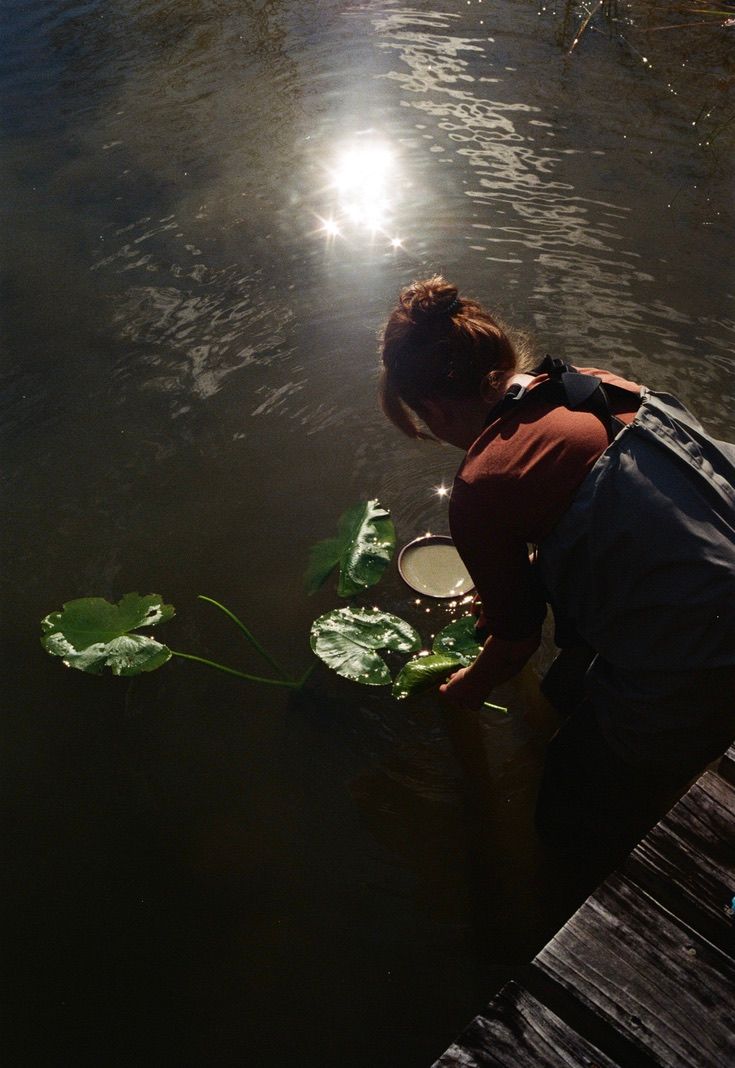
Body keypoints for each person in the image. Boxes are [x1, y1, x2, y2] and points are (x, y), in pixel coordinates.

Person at [380, 275, 735, 851]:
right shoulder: (595, 383)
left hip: (711, 651)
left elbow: (517, 642)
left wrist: (468, 687)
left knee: (567, 810)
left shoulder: (482, 481)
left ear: (435, 410)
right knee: (567, 687)